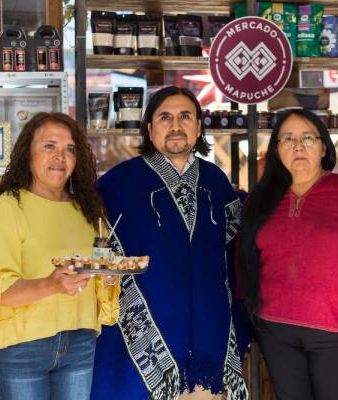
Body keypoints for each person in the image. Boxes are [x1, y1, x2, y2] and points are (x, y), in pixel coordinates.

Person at [91, 86, 249, 400]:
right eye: (165, 117)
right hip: (138, 342)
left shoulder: (215, 181)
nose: (176, 126)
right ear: (150, 129)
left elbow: (236, 259)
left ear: (198, 127)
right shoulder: (117, 184)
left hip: (209, 337)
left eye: (185, 116)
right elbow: (95, 248)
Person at [237, 109, 338, 400]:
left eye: (307, 138)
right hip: (275, 330)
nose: (298, 146)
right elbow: (245, 260)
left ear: (324, 147)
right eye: (288, 139)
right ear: (276, 149)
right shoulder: (260, 199)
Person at [0, 112, 120, 400]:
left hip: (80, 340)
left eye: (70, 149)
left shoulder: (88, 211)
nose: (60, 157)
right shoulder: (8, 209)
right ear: (27, 152)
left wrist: (108, 277)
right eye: (49, 146)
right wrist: (50, 285)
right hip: (22, 346)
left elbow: (99, 281)